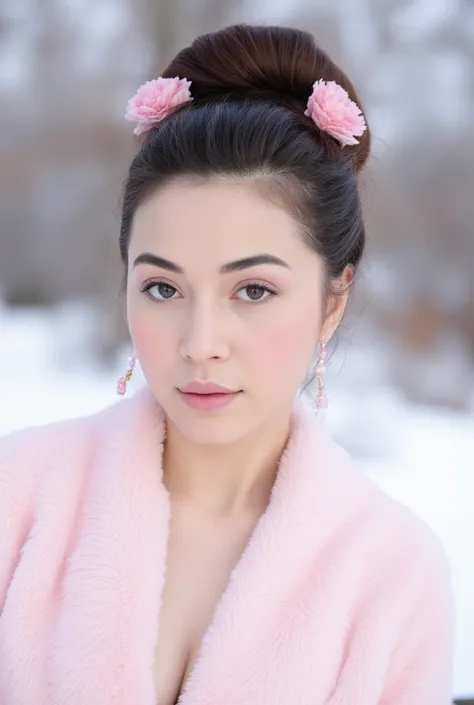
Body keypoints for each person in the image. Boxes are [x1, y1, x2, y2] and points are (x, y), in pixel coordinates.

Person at [0, 23, 455, 705]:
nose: (200, 341)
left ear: (335, 299)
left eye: (253, 290)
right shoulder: (17, 502)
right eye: (163, 288)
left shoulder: (393, 574)